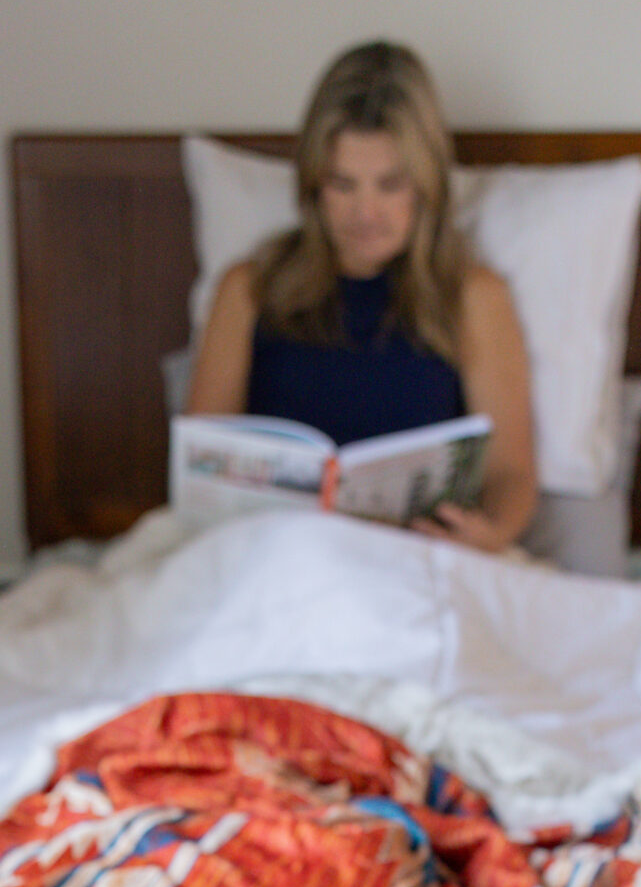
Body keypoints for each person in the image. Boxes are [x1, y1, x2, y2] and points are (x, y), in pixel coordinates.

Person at [186, 41, 537, 556]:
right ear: (312, 183)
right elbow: (203, 470)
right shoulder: (248, 290)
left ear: (426, 184)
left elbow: (511, 473)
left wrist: (490, 533)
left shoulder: (473, 297)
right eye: (342, 184)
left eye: (390, 184)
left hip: (415, 562)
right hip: (273, 562)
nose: (365, 213)